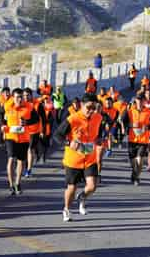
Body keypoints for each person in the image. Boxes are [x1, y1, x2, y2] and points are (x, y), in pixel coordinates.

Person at [54, 93, 102, 222]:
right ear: (81, 105)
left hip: (90, 157)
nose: (91, 110)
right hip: (73, 159)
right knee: (72, 187)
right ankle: (67, 209)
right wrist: (69, 143)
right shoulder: (72, 119)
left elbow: (99, 132)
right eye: (89, 107)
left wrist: (99, 140)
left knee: (92, 186)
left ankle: (82, 197)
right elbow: (57, 135)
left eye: (94, 107)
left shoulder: (98, 118)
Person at [0, 88, 39, 195]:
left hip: (24, 137)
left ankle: (18, 183)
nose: (19, 99)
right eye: (17, 97)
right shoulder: (7, 105)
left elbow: (36, 119)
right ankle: (11, 184)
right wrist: (2, 124)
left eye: (21, 97)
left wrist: (27, 122)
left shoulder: (29, 106)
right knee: (11, 158)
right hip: (10, 136)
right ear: (13, 97)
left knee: (21, 161)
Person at [121, 95, 150, 186]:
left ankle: (136, 178)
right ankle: (134, 173)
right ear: (135, 101)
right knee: (133, 162)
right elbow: (122, 120)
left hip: (143, 140)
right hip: (132, 139)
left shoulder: (149, 112)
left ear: (144, 101)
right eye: (138, 100)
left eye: (141, 100)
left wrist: (147, 127)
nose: (139, 102)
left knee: (139, 160)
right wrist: (127, 127)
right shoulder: (130, 111)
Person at [23, 88, 46, 178]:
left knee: (30, 149)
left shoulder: (37, 104)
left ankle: (29, 170)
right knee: (24, 150)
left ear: (31, 95)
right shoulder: (20, 104)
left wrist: (43, 131)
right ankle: (26, 166)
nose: (25, 97)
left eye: (27, 95)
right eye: (24, 95)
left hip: (34, 131)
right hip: (23, 131)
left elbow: (43, 118)